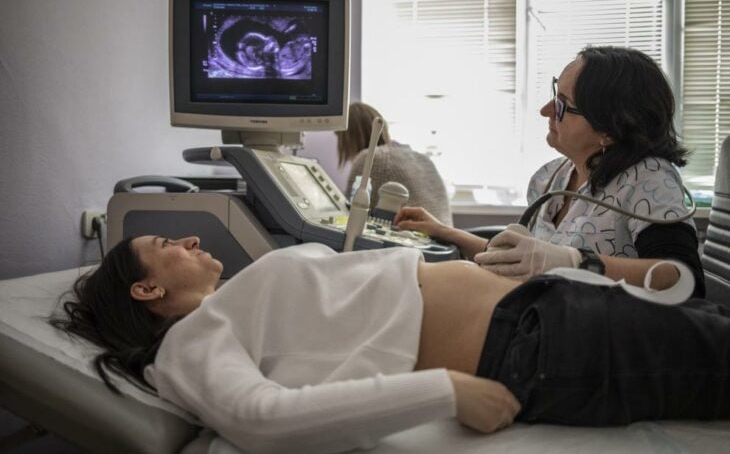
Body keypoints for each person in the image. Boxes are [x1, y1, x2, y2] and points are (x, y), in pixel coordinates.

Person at [52, 236, 730, 453]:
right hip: (537, 341)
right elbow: (260, 419)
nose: (190, 240)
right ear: (144, 291)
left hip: (552, 314)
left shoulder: (227, 307)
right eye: (165, 246)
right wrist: (443, 390)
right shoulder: (190, 344)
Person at [396, 46, 705, 297]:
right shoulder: (552, 177)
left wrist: (579, 263)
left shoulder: (647, 179)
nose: (545, 110)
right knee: (415, 279)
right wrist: (444, 231)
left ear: (609, 128)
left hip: (598, 339)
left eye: (561, 105)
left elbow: (684, 279)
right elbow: (523, 261)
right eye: (554, 93)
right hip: (540, 319)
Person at [337, 101, 453, 225]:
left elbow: (350, 217)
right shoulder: (422, 158)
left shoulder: (369, 160)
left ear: (349, 136)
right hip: (447, 242)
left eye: (339, 137)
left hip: (413, 240)